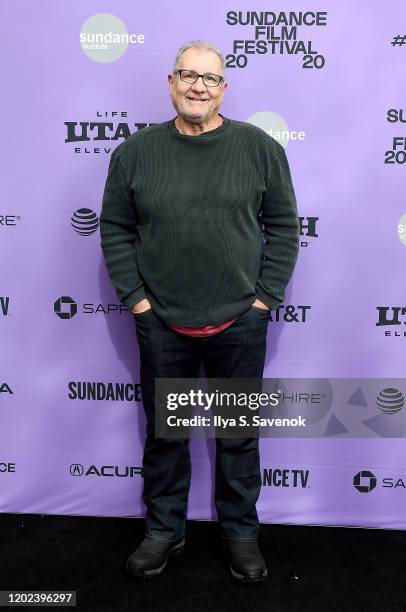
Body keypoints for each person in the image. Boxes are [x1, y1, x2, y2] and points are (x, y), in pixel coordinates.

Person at [100, 39, 299, 583]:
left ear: (224, 89)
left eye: (209, 79)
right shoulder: (136, 152)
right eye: (187, 75)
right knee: (167, 435)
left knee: (237, 435)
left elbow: (284, 228)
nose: (197, 87)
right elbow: (115, 228)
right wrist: (138, 301)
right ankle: (164, 530)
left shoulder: (258, 148)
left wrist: (264, 301)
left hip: (240, 319)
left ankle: (240, 534)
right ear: (170, 83)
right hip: (162, 321)